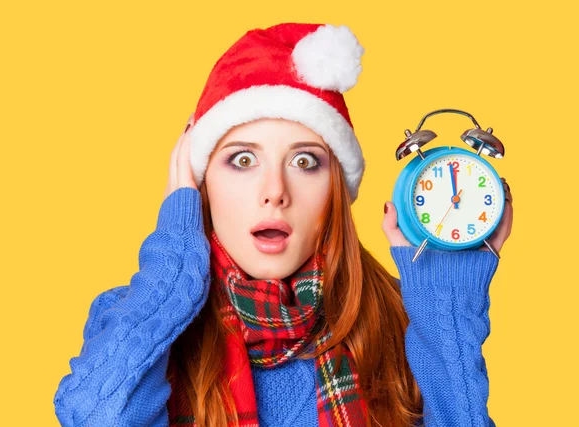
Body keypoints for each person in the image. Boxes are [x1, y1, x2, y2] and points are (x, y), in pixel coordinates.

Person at [53, 23, 513, 427]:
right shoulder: (146, 319)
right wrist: (174, 264)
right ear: (200, 183)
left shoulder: (403, 323)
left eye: (304, 161)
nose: (275, 190)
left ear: (335, 189)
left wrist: (447, 311)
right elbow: (95, 417)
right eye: (243, 160)